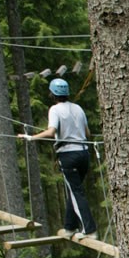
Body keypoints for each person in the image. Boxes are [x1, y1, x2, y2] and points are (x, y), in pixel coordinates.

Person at [19, 78, 98, 240]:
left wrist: (31, 138)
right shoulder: (78, 108)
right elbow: (87, 133)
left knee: (76, 191)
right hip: (84, 154)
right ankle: (70, 227)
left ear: (52, 94)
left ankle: (90, 230)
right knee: (74, 190)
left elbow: (50, 132)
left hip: (68, 155)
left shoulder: (55, 110)